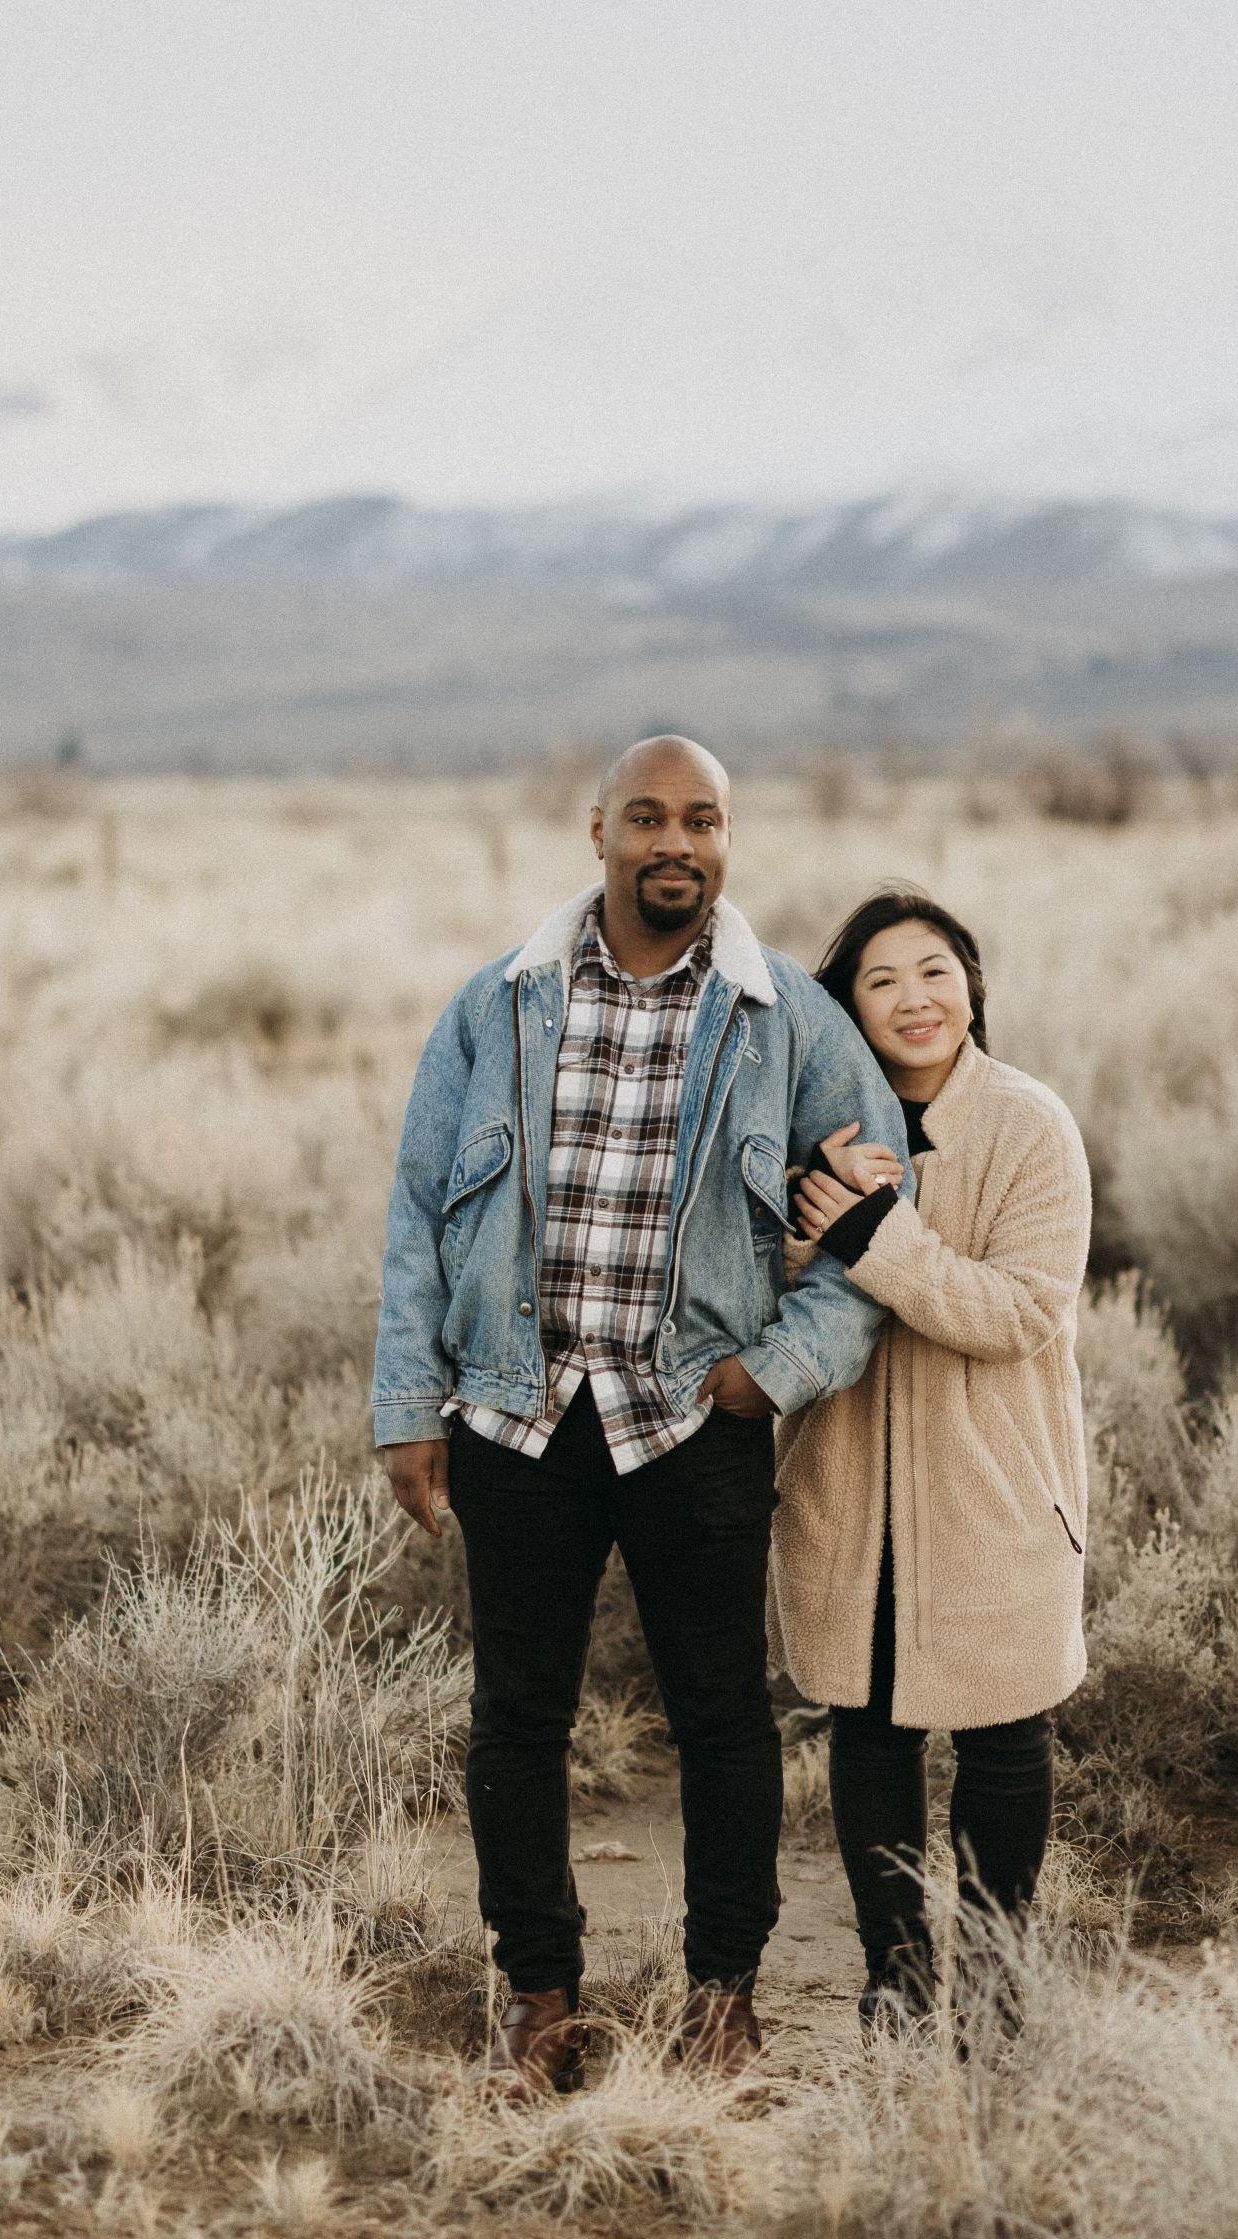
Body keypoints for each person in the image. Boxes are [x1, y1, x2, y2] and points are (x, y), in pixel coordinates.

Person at [373, 738, 905, 2092]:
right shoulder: (499, 1005)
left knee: (721, 1718)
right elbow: (420, 1212)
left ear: (728, 839)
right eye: (650, 817)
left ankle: (723, 2000)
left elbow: (878, 1225)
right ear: (598, 830)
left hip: (692, 1418)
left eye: (703, 820)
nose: (677, 842)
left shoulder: (785, 1019)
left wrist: (774, 1369)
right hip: (520, 1412)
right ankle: (539, 2001)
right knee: (517, 1719)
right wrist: (408, 1404)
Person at [771, 887, 1094, 2034]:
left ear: (970, 987)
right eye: (881, 979)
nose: (913, 998)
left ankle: (998, 1988)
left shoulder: (1029, 1124)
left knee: (1004, 1735)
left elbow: (1020, 1311)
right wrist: (802, 1226)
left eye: (935, 971)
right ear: (845, 1007)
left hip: (994, 1485)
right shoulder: (810, 1134)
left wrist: (872, 1234)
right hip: (848, 1482)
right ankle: (897, 1979)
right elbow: (757, 1285)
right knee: (869, 1729)